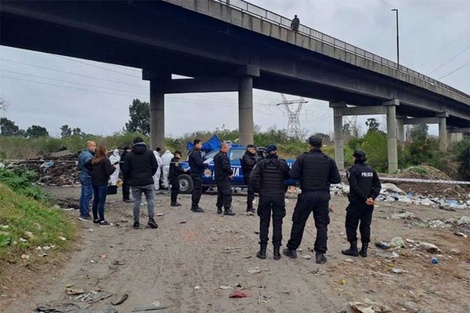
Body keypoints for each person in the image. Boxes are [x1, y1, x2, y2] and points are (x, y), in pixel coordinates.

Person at [283, 136, 341, 264]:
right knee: (322, 224)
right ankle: (320, 254)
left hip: (307, 194)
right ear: (321, 145)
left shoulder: (303, 158)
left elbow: (292, 175)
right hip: (322, 196)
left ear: (310, 145)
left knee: (299, 221)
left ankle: (292, 249)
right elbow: (336, 179)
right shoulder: (328, 160)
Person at [249, 144, 290, 260]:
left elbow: (252, 177)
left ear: (267, 153)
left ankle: (263, 251)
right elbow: (289, 177)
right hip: (278, 196)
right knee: (278, 223)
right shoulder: (282, 163)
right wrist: (283, 188)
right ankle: (276, 252)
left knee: (264, 222)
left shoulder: (261, 163)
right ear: (276, 152)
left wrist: (257, 190)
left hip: (265, 195)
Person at [342, 150, 381, 258]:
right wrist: (372, 197)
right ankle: (364, 249)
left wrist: (365, 199)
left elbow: (354, 187)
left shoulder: (352, 170)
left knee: (351, 224)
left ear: (355, 158)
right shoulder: (371, 169)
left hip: (357, 202)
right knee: (365, 225)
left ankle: (353, 248)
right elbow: (377, 185)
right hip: (369, 204)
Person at [123, 137, 159, 229]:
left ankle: (136, 222)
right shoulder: (149, 153)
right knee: (150, 199)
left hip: (135, 181)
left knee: (136, 201)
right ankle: (151, 219)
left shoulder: (129, 155)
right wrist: (150, 174)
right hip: (147, 180)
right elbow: (155, 166)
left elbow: (125, 170)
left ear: (133, 144)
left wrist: (130, 178)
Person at [88, 145, 115, 227]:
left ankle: (95, 218)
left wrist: (91, 172)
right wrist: (113, 168)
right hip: (102, 182)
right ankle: (102, 220)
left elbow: (86, 165)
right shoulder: (105, 160)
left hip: (94, 182)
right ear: (104, 151)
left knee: (95, 200)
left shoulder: (94, 160)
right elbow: (108, 172)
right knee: (101, 202)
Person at [214, 143, 235, 216]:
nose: (228, 149)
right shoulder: (223, 157)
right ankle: (227, 209)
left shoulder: (216, 156)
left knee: (220, 193)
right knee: (227, 192)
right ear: (223, 147)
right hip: (223, 177)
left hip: (218, 177)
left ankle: (219, 208)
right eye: (227, 147)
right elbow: (225, 166)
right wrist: (230, 172)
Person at [78, 140, 96, 221]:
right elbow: (89, 164)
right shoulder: (89, 156)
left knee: (83, 195)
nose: (95, 148)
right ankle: (85, 214)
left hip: (82, 174)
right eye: (94, 146)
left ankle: (82, 212)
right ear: (89, 146)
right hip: (88, 175)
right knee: (88, 195)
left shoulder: (82, 154)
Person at [188, 139, 208, 213]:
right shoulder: (195, 153)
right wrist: (205, 164)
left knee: (196, 189)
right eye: (200, 144)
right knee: (197, 190)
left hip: (195, 172)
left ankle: (195, 205)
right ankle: (194, 206)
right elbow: (199, 163)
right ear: (196, 144)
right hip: (196, 173)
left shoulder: (193, 152)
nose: (201, 145)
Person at [241, 144, 257, 214]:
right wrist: (255, 159)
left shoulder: (251, 156)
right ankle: (249, 207)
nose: (254, 151)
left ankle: (250, 206)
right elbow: (249, 163)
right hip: (248, 176)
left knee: (252, 192)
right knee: (250, 192)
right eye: (253, 149)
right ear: (249, 149)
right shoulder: (246, 156)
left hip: (252, 176)